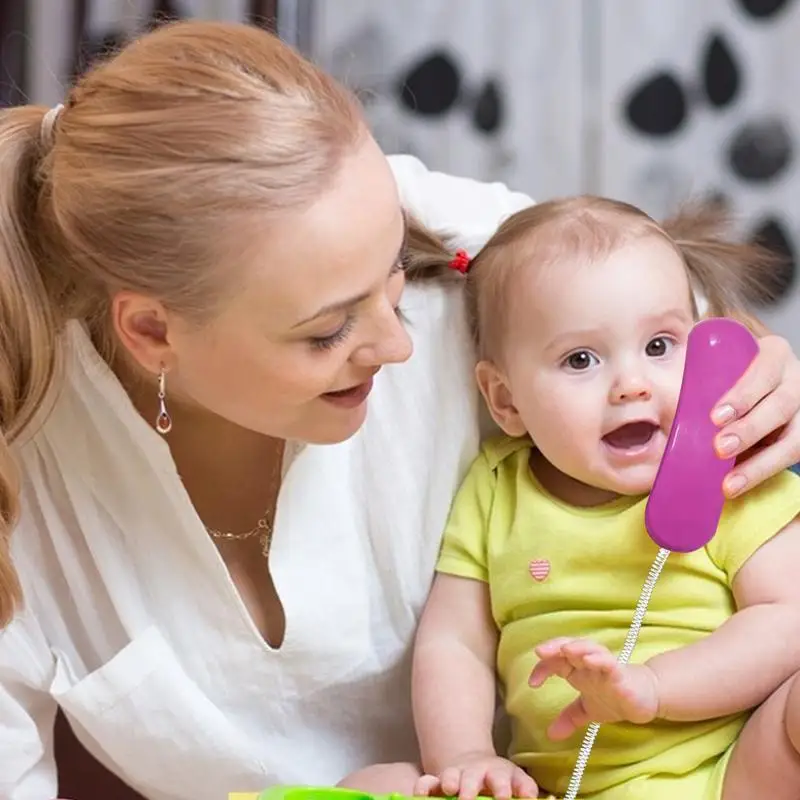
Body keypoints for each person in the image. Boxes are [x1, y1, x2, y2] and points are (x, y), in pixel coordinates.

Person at [0, 20, 798, 800]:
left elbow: (635, 292)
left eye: (391, 280)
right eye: (328, 331)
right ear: (151, 331)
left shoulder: (432, 251)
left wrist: (758, 372)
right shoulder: (32, 468)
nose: (400, 343)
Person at [410, 197, 800, 800]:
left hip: (732, 775)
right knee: (377, 782)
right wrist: (465, 756)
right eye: (581, 359)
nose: (633, 384)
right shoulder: (496, 490)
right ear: (505, 401)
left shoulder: (734, 472)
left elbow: (786, 620)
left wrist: (656, 686)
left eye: (660, 345)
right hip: (553, 789)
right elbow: (453, 641)